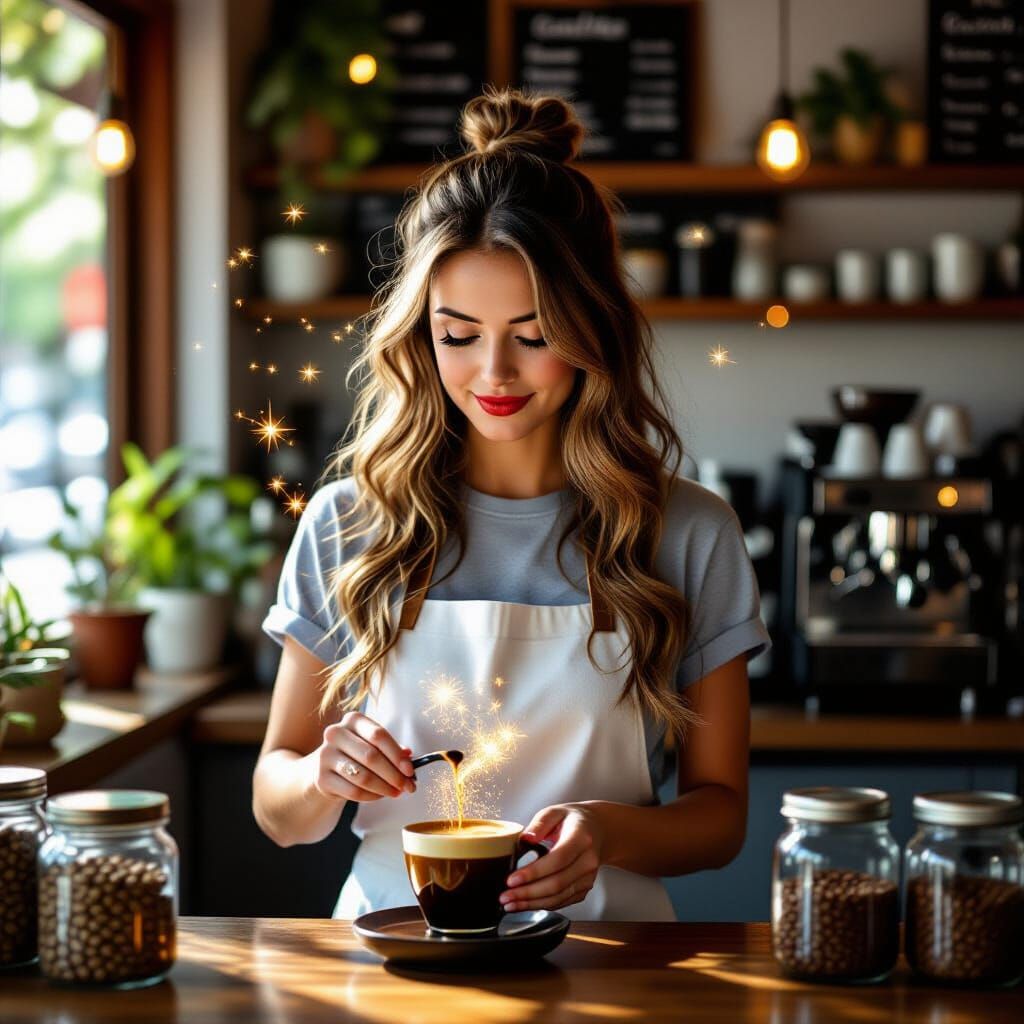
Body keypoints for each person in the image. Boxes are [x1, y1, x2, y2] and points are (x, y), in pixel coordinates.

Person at [254, 86, 770, 921]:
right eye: (458, 335)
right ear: (420, 333)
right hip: (392, 963)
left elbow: (721, 816)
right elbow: (276, 806)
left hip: (610, 961)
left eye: (533, 337)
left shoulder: (688, 531)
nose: (494, 373)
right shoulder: (351, 522)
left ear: (592, 326)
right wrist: (319, 777)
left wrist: (611, 835)